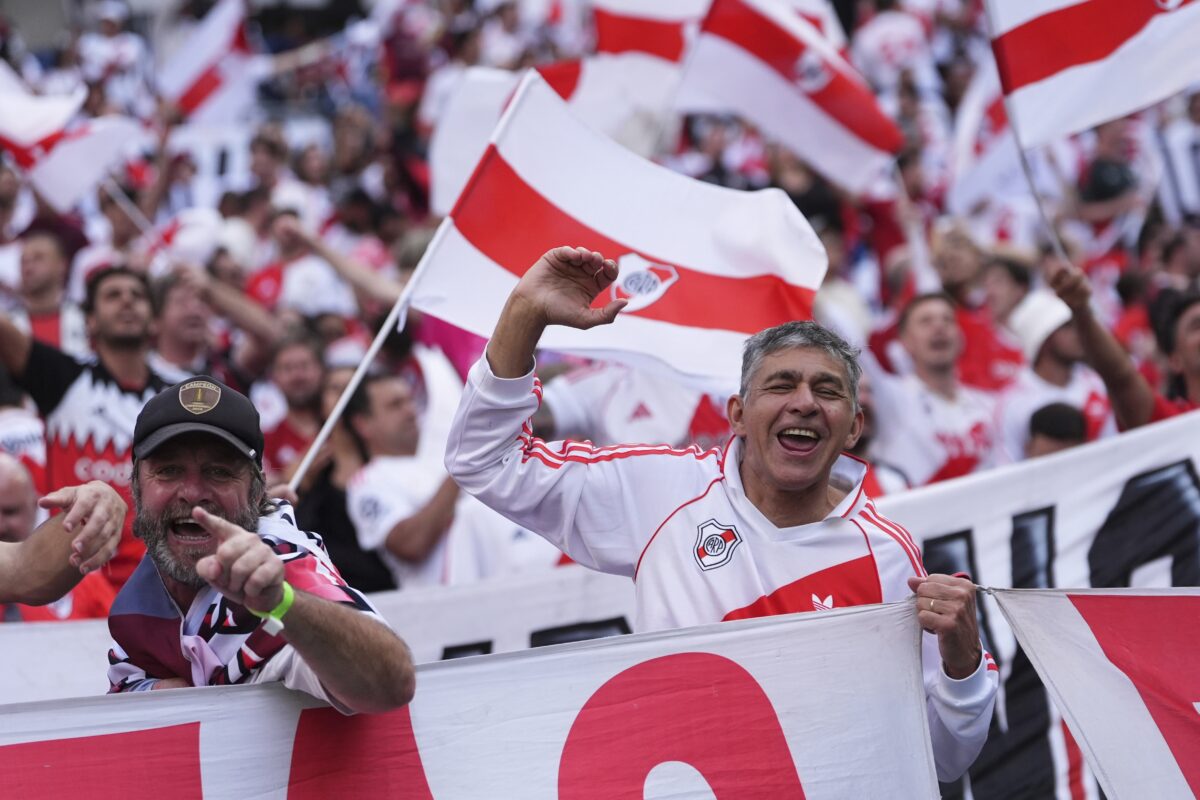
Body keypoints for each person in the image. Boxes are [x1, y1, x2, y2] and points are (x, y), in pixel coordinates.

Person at [445, 246, 997, 781]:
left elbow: (944, 758)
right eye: (781, 385)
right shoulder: (663, 488)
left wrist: (964, 662)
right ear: (736, 413)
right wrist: (524, 316)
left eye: (826, 391)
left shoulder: (887, 553)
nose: (804, 402)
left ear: (853, 427)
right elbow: (485, 460)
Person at [107, 375, 414, 714]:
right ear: (135, 485)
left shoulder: (279, 564)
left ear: (256, 492)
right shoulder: (151, 574)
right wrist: (159, 692)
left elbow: (392, 685)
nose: (192, 493)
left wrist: (283, 603)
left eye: (219, 472)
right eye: (168, 471)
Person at [0, 265, 172, 590]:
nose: (127, 302)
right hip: (74, 584)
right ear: (89, 320)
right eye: (113, 295)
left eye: (137, 295)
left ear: (154, 320)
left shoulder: (179, 396)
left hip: (157, 588)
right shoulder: (62, 377)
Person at [866, 292, 998, 486]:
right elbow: (851, 346)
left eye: (948, 320)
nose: (939, 327)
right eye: (925, 321)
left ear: (961, 338)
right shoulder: (892, 398)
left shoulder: (990, 405)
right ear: (905, 341)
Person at [1050, 260, 1200, 428]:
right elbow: (1119, 378)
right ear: (1175, 360)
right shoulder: (1169, 422)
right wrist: (1081, 311)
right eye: (1196, 326)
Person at [993, 289, 1113, 463]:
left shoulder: (1095, 384)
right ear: (1043, 338)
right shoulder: (1012, 402)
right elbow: (1007, 469)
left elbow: (1111, 450)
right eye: (1067, 327)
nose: (1079, 333)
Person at [0, 455, 117, 620]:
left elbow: (123, 637)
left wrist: (101, 499)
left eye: (10, 512)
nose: (1, 525)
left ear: (35, 505)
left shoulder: (80, 574)